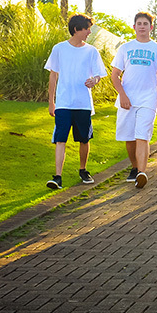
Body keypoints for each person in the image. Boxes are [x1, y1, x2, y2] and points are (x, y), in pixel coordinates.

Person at [44, 14, 107, 190]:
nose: (89, 31)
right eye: (87, 28)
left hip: (83, 103)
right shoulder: (59, 49)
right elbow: (53, 75)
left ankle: (83, 170)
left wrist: (94, 81)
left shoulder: (92, 51)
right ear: (76, 29)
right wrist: (51, 102)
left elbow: (98, 75)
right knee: (60, 139)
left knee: (84, 139)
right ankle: (57, 177)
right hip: (64, 103)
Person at [111, 11, 157, 189]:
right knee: (129, 138)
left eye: (146, 23)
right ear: (134, 26)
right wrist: (122, 95)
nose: (142, 26)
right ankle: (135, 167)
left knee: (142, 136)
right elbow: (115, 76)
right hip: (127, 99)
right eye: (139, 23)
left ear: (151, 27)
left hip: (148, 100)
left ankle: (142, 173)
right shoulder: (125, 48)